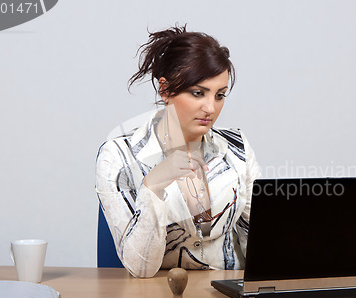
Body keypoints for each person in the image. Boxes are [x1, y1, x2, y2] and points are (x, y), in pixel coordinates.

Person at [95, 25, 261, 278]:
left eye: (220, 95)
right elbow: (139, 268)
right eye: (198, 93)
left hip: (229, 297)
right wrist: (153, 187)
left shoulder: (236, 147)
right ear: (165, 90)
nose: (211, 108)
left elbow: (258, 242)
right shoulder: (118, 156)